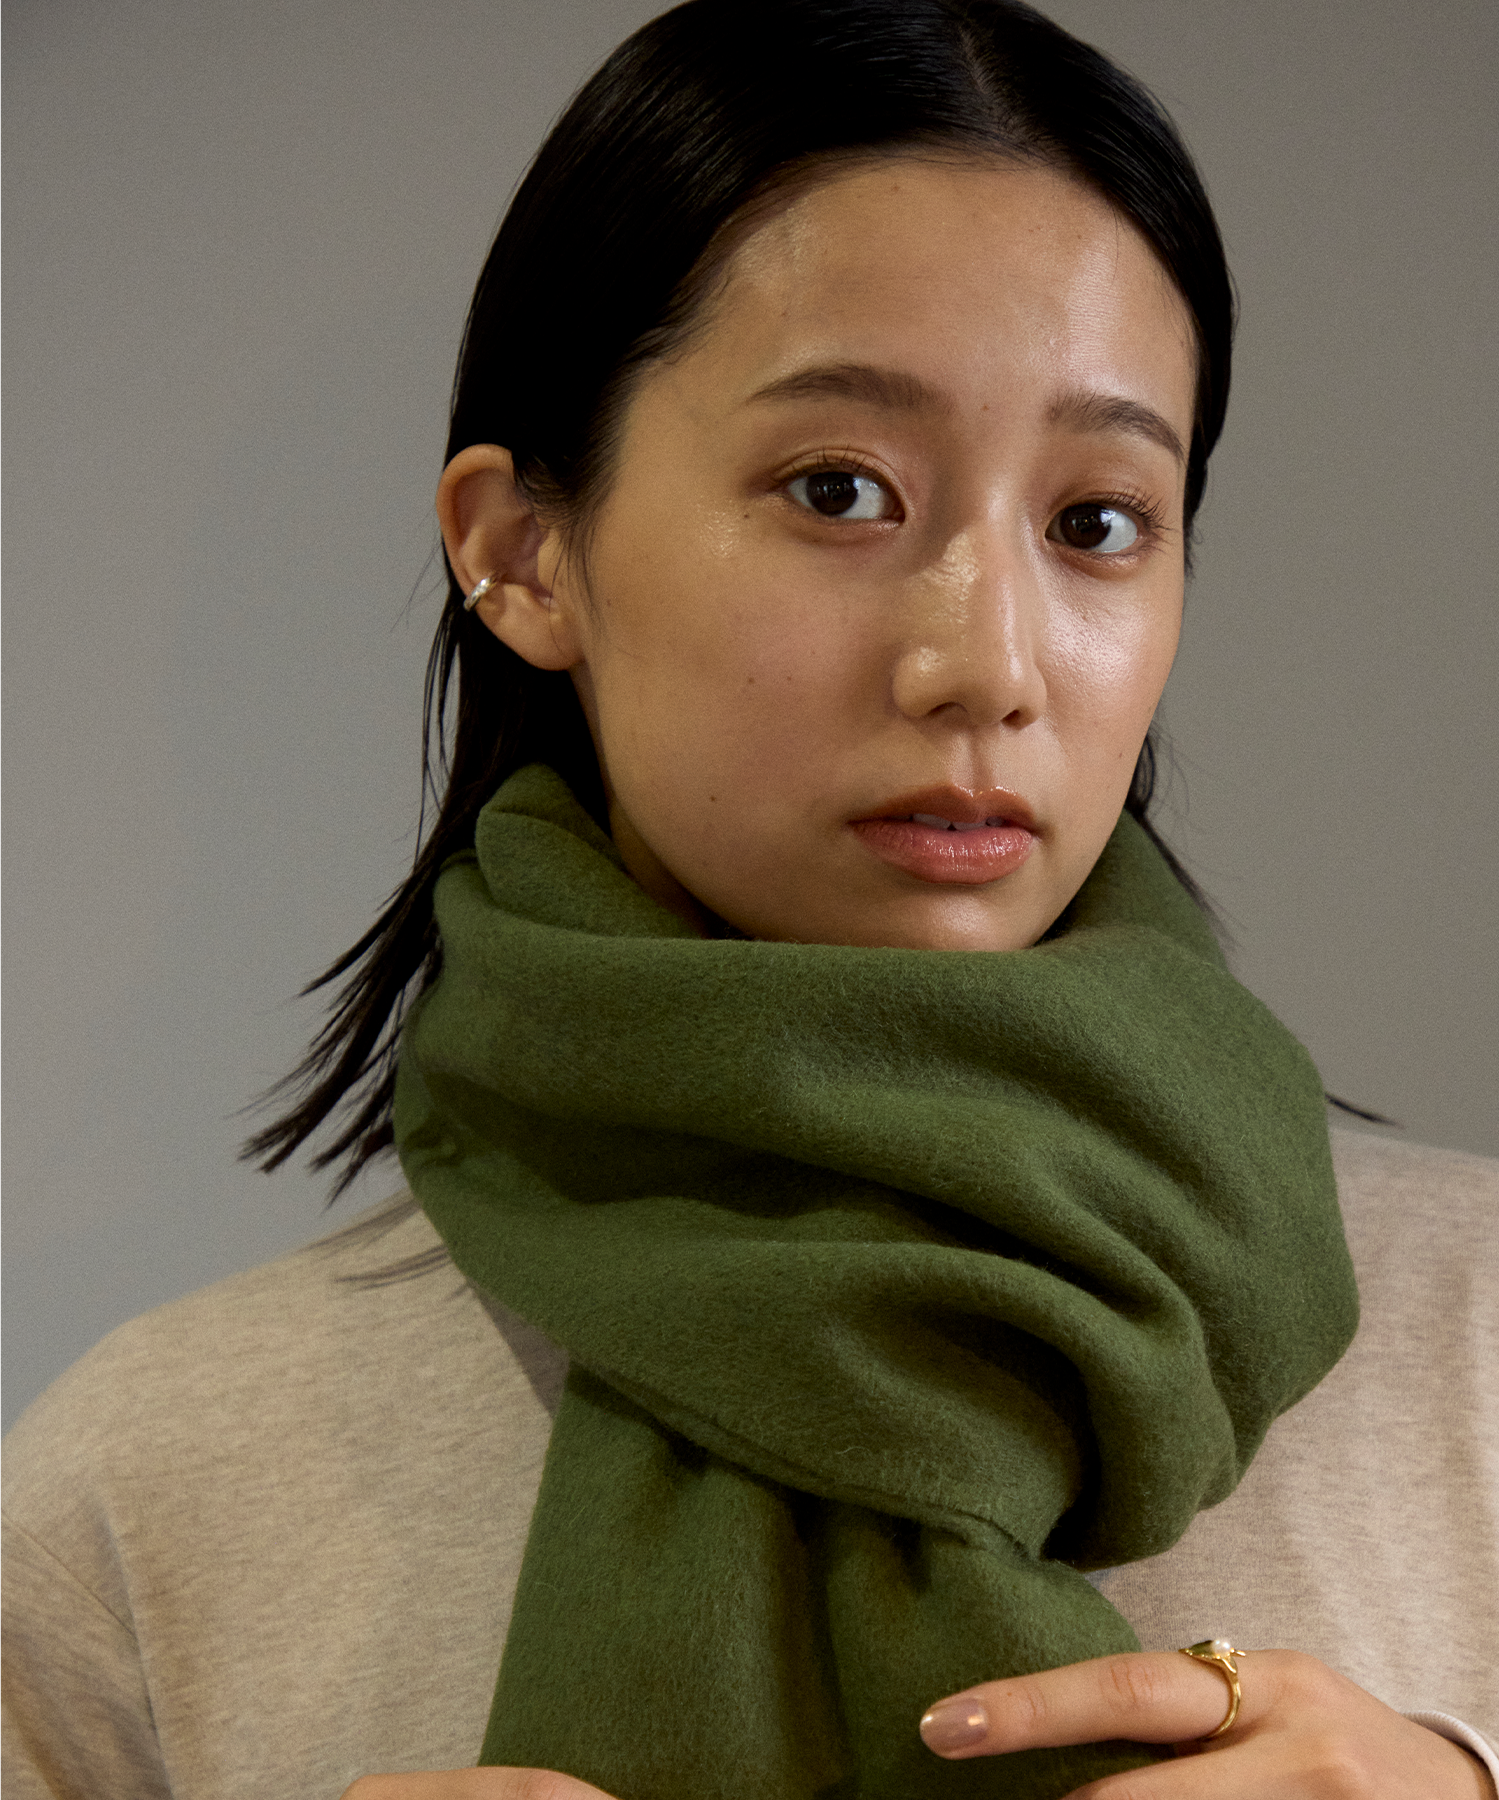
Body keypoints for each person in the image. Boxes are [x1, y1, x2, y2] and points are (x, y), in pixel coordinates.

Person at [2, 1, 1495, 1797]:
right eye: (839, 490)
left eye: (1096, 521)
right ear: (521, 552)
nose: (988, 662)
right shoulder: (141, 1508)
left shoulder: (1479, 1346)